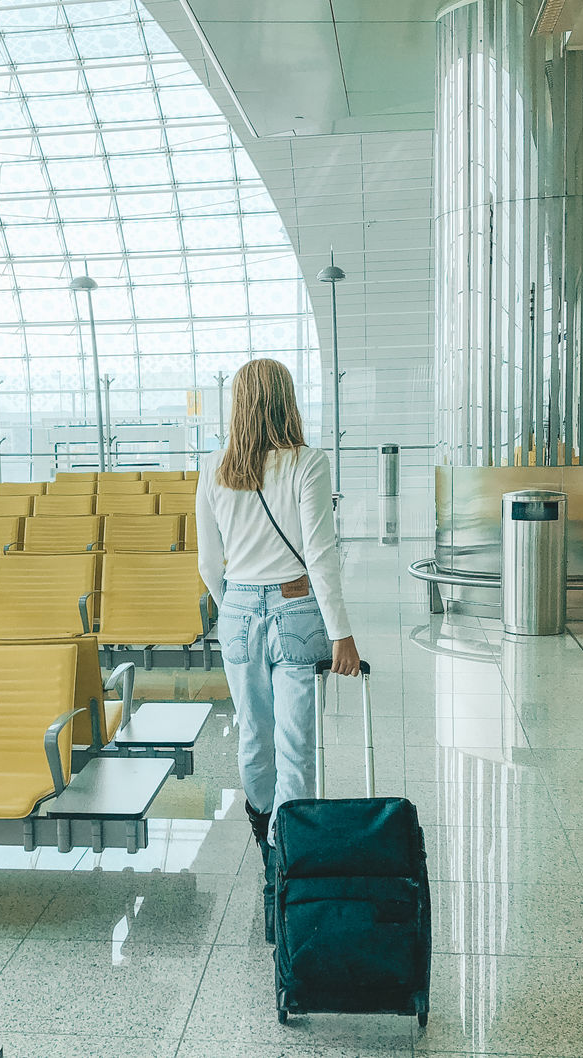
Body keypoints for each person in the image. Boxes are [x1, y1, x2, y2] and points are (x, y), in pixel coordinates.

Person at [195, 358, 361, 940]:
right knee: (297, 745)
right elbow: (321, 554)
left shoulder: (214, 468)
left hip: (237, 612)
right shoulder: (307, 464)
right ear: (286, 399)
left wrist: (237, 603)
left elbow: (207, 565)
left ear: (237, 403)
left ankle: (268, 860)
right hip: (296, 612)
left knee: (252, 736)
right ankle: (290, 868)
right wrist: (340, 631)